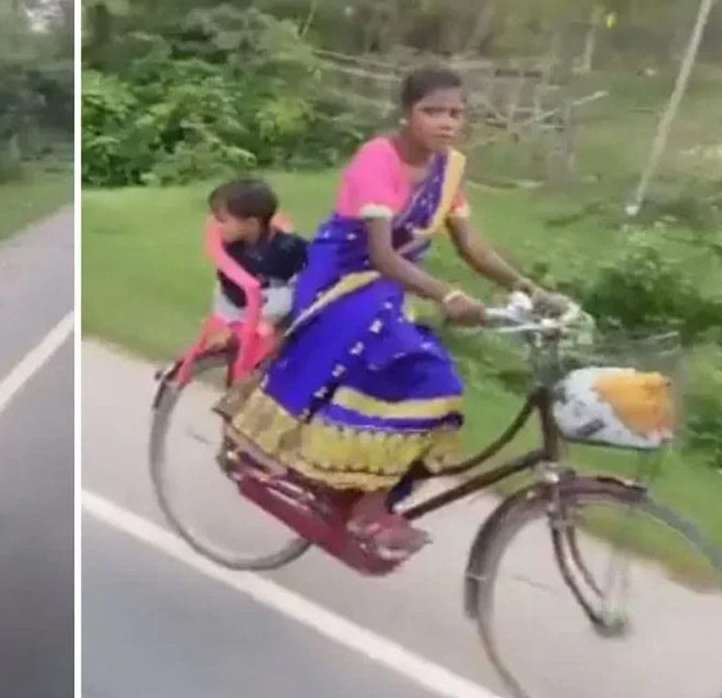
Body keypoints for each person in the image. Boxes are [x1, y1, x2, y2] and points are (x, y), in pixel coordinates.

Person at [215, 67, 568, 560]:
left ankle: (362, 492)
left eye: (456, 114)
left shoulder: (449, 169)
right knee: (412, 369)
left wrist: (531, 289)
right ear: (406, 114)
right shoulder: (376, 160)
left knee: (435, 385)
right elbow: (381, 254)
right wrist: (448, 296)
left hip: (389, 287)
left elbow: (473, 246)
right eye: (433, 111)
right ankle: (360, 502)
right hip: (343, 283)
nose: (446, 123)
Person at [206, 178, 307, 347]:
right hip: (239, 297)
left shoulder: (287, 247)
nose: (218, 226)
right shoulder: (231, 246)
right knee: (222, 292)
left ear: (251, 224)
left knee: (285, 296)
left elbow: (306, 271)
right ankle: (229, 330)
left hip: (272, 299)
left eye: (223, 220)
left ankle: (267, 326)